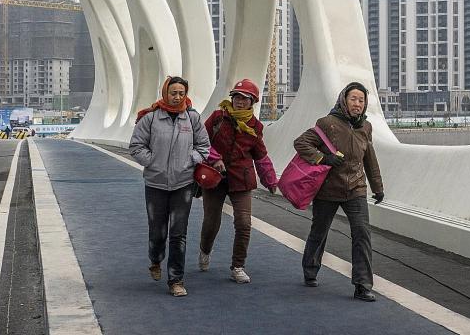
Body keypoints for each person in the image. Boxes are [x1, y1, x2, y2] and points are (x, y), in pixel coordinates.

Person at [294, 81, 384, 302]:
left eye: (361, 100)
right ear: (344, 100)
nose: (357, 104)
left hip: (356, 188)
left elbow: (369, 159)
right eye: (353, 99)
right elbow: (301, 143)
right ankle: (310, 269)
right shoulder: (327, 123)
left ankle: (362, 285)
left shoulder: (366, 127)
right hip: (328, 189)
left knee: (362, 234)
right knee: (319, 231)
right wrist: (324, 158)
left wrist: (378, 187)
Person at [129, 76, 210, 297]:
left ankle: (176, 280)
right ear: (165, 92)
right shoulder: (151, 118)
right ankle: (155, 259)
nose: (177, 97)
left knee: (178, 234)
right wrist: (152, 161)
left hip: (183, 183)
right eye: (173, 92)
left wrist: (190, 159)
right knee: (157, 232)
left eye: (181, 93)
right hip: (155, 183)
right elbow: (136, 146)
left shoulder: (192, 118)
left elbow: (204, 146)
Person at [199, 78, 278, 284]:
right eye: (237, 97)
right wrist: (215, 159)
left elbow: (261, 156)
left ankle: (238, 266)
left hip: (241, 180)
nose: (240, 102)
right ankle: (205, 250)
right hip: (215, 178)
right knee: (210, 222)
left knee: (244, 223)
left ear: (253, 102)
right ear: (231, 98)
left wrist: (270, 180)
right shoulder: (218, 117)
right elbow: (201, 141)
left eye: (245, 99)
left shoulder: (255, 127)